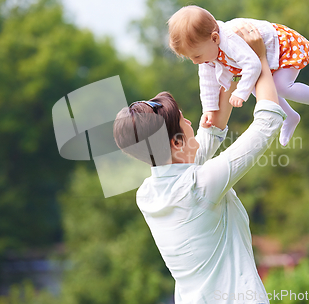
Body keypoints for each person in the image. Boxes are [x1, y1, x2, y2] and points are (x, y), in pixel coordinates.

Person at [113, 24, 285, 304]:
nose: (192, 123)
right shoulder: (199, 186)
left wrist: (226, 61)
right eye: (184, 120)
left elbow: (210, 133)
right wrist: (260, 60)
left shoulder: (147, 194)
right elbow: (268, 121)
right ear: (176, 142)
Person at [168, 5, 309, 146]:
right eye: (190, 58)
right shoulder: (206, 54)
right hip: (257, 58)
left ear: (215, 38)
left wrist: (241, 93)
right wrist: (209, 110)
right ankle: (290, 116)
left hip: (279, 46)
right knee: (257, 86)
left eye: (196, 56)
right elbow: (207, 84)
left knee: (281, 86)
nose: (195, 62)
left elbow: (253, 65)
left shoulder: (230, 40)